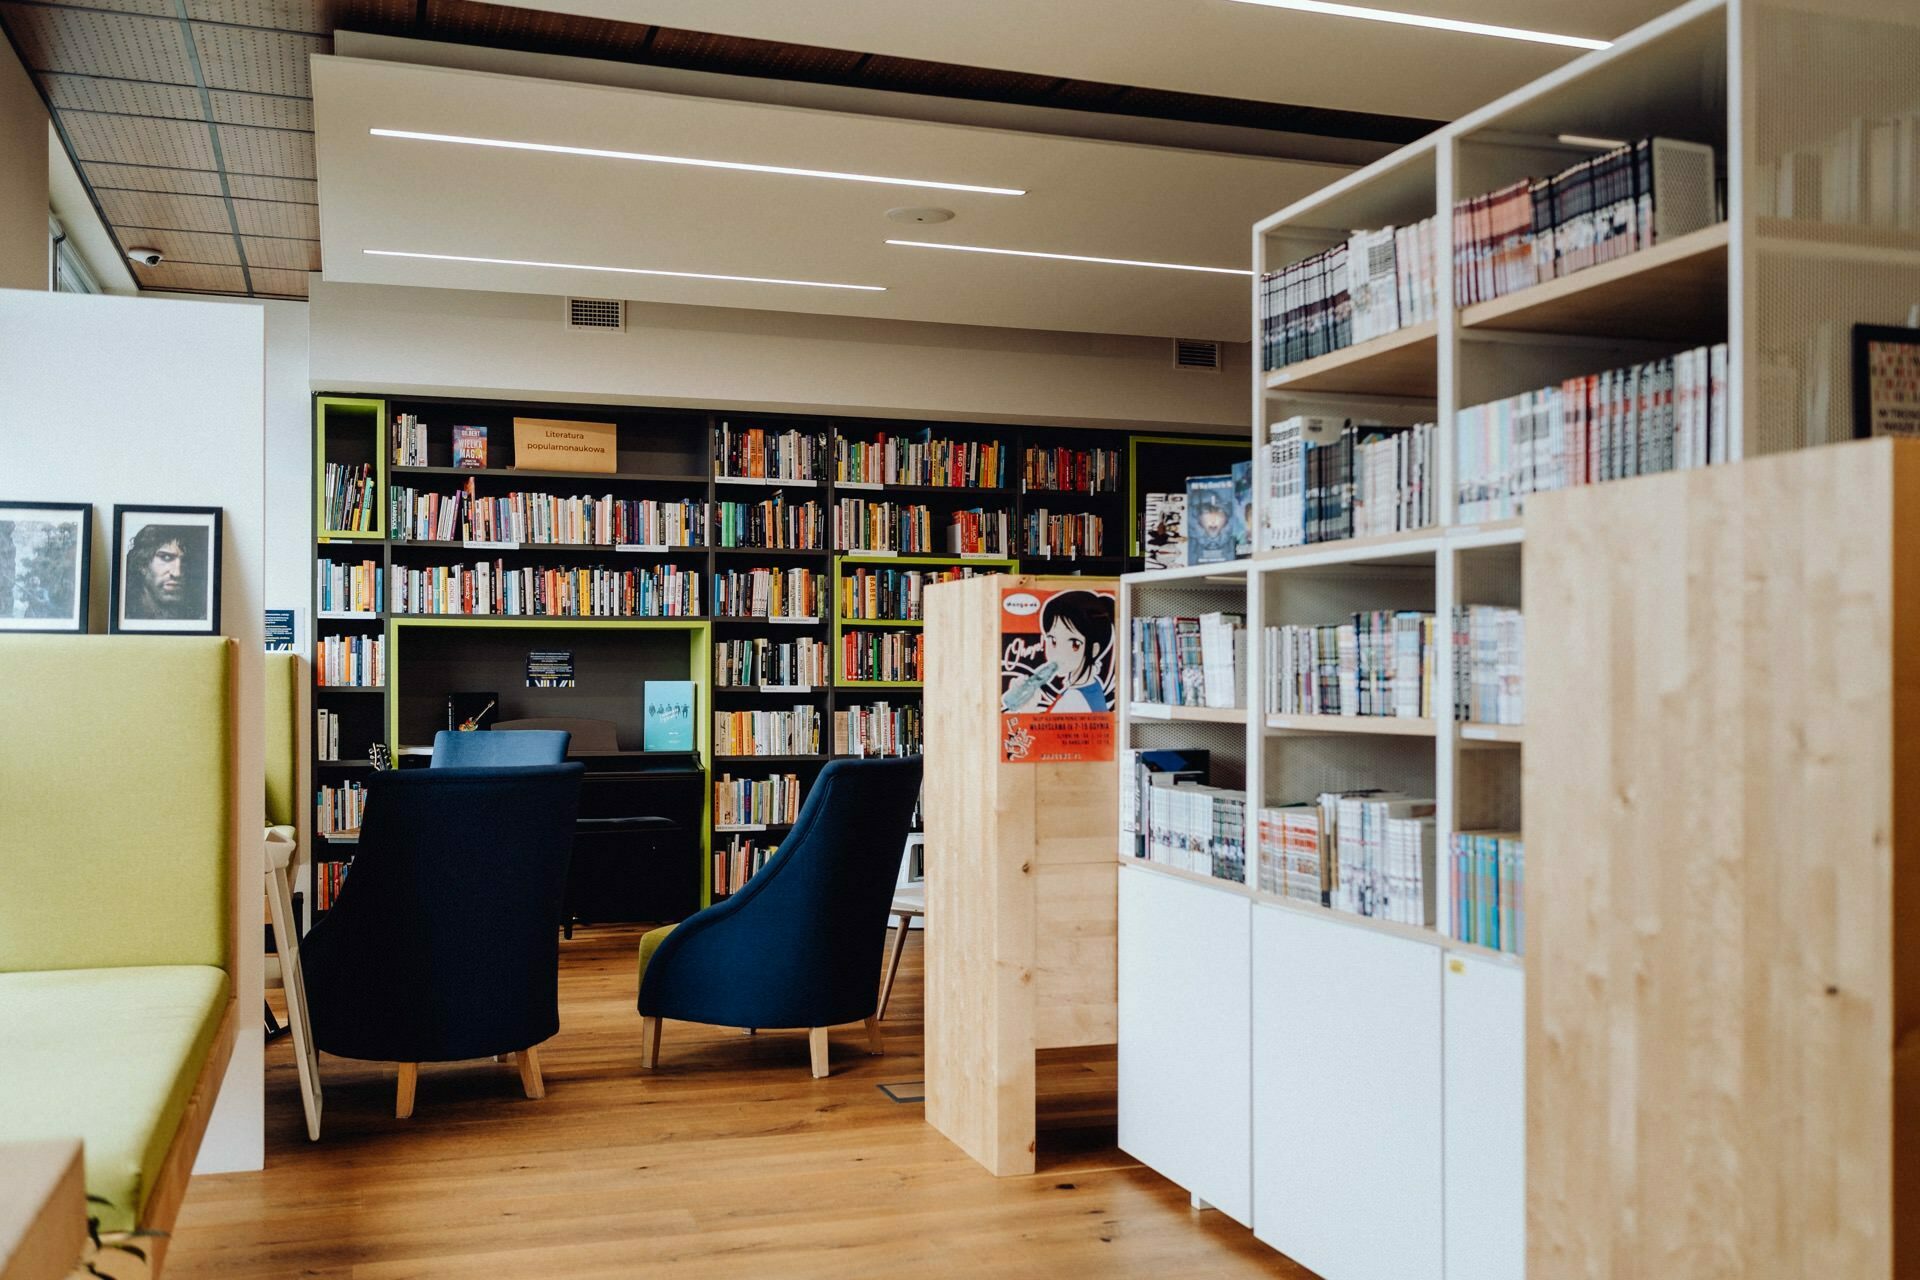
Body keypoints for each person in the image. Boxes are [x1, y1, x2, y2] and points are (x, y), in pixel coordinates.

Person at [1038, 589, 1114, 713]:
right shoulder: (1092, 686)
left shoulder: (1073, 698)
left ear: (1094, 650)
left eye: (1074, 644)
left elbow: (1039, 732)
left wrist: (1025, 707)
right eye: (1053, 641)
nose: (1059, 652)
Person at [123, 523, 201, 620]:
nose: (177, 573)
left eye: (185, 561)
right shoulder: (124, 615)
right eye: (166, 557)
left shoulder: (197, 619)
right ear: (142, 564)